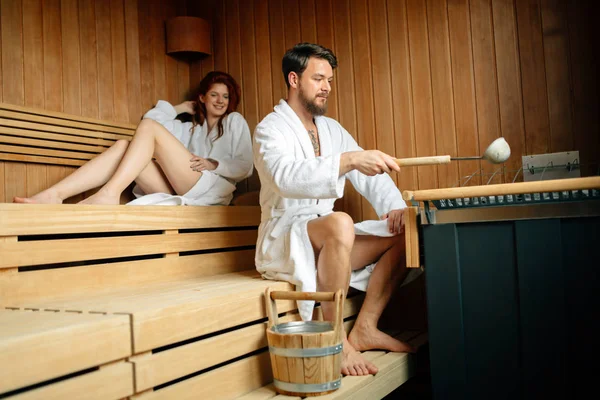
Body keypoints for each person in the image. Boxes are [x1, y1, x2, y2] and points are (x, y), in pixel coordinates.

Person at [253, 43, 417, 377]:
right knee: (340, 222)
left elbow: (366, 172)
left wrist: (397, 208)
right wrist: (350, 159)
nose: (327, 86)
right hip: (286, 238)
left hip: (329, 239)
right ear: (294, 79)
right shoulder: (270, 129)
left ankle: (366, 327)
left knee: (407, 231)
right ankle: (336, 338)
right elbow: (285, 178)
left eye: (329, 79)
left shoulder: (331, 130)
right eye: (318, 78)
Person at [13, 71, 253, 206]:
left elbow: (246, 167)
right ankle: (54, 195)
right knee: (123, 146)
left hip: (211, 188)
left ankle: (109, 194)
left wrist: (213, 163)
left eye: (225, 96)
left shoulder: (234, 121)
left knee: (147, 130)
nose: (220, 100)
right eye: (214, 94)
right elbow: (151, 120)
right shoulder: (189, 128)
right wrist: (179, 107)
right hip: (184, 188)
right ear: (202, 98)